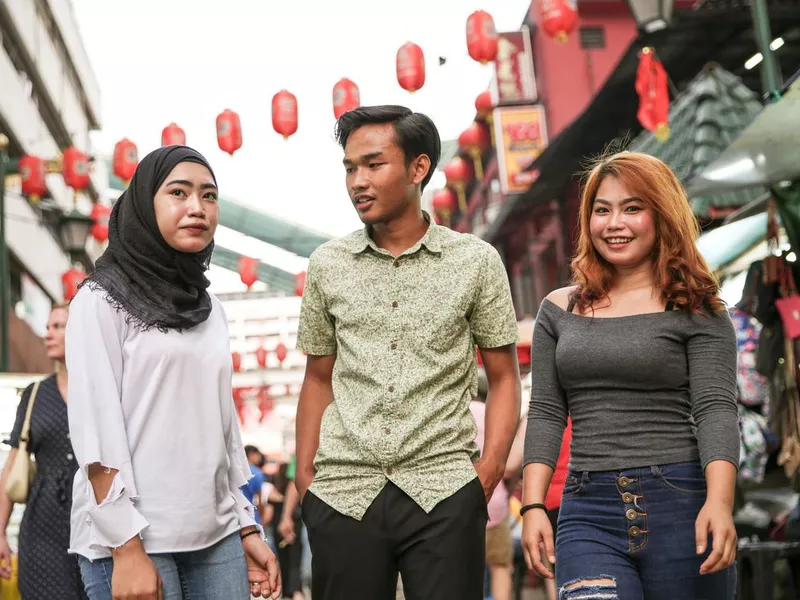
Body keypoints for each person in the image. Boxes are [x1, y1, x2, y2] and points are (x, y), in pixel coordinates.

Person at [295, 105, 521, 599]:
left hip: (443, 489)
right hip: (344, 494)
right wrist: (306, 480)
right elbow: (317, 378)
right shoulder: (328, 265)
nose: (358, 181)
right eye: (350, 168)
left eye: (374, 165)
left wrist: (487, 472)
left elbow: (504, 377)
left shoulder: (475, 262)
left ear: (419, 169)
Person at [65, 146, 281, 600]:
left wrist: (245, 524)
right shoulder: (101, 300)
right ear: (145, 204)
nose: (196, 208)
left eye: (209, 196)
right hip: (133, 538)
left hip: (215, 533)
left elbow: (221, 428)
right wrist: (125, 550)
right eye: (178, 193)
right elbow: (96, 431)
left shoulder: (210, 310)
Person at [521, 152, 739, 600]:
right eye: (602, 210)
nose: (613, 223)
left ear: (662, 215)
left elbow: (716, 408)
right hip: (587, 511)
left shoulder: (697, 307)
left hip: (683, 502)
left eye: (632, 208)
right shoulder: (559, 309)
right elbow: (545, 411)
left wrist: (720, 501)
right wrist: (533, 505)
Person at [0, 305, 87, 599]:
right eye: (48, 327)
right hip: (42, 530)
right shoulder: (35, 393)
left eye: (58, 327)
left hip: (95, 525)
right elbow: (12, 465)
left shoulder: (99, 389)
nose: (47, 334)